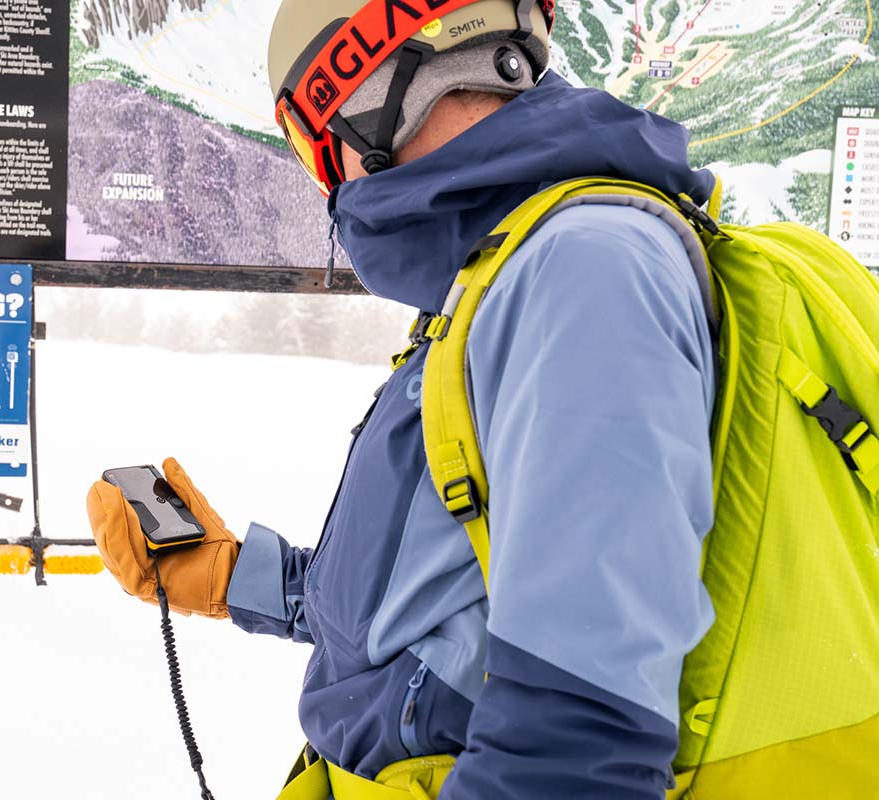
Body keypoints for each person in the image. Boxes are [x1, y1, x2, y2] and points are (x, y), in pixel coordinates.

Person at [88, 1, 719, 797]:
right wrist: (232, 576)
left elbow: (574, 743)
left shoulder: (586, 272)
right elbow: (432, 608)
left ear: (364, 93)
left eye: (316, 149)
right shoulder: (498, 278)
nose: (332, 184)